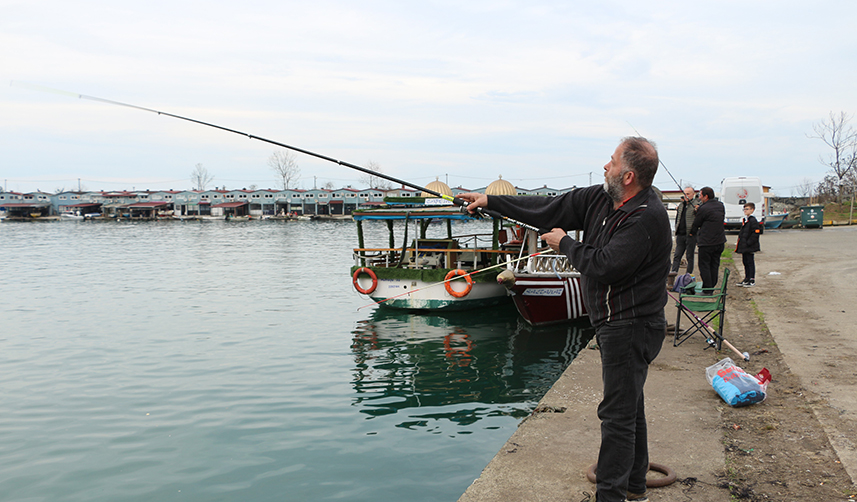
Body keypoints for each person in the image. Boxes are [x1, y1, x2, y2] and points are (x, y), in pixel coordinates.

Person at [459, 137, 671, 502]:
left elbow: (605, 265)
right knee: (629, 405)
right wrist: (491, 202)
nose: (606, 166)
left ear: (629, 176)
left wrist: (566, 245)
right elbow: (549, 208)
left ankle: (612, 494)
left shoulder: (645, 218)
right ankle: (635, 483)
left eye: (612, 162)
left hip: (632, 325)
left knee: (617, 415)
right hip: (613, 322)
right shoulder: (601, 198)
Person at [688, 186, 726, 291]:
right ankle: (712, 284)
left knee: (704, 265)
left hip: (707, 242)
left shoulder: (703, 208)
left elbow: (697, 223)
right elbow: (712, 217)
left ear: (706, 196)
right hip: (720, 241)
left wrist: (691, 233)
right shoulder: (720, 206)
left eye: (700, 195)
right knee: (714, 264)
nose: (699, 198)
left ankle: (707, 288)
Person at [671, 186, 700, 274]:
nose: (686, 196)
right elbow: (678, 218)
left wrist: (697, 209)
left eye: (688, 194)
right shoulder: (681, 205)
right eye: (685, 194)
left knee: (689, 256)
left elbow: (699, 218)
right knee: (677, 255)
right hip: (680, 234)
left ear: (693, 194)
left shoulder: (696, 204)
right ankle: (673, 273)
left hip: (690, 234)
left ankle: (688, 275)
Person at [735, 202, 761, 287]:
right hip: (745, 246)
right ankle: (746, 278)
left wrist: (749, 243)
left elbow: (755, 233)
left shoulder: (753, 220)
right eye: (744, 209)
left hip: (750, 246)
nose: (745, 211)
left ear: (752, 210)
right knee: (745, 262)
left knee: (750, 262)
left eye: (747, 209)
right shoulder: (746, 220)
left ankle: (751, 279)